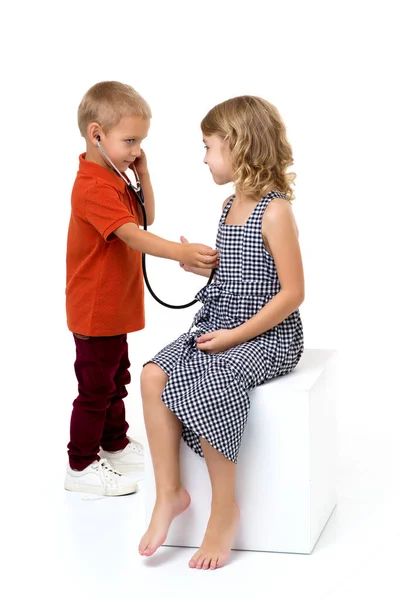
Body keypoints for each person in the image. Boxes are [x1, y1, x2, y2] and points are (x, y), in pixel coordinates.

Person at [139, 95, 305, 568]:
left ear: (236, 146)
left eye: (208, 146)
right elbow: (241, 275)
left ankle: (224, 509)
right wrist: (206, 271)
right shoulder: (230, 203)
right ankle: (169, 493)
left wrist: (233, 338)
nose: (204, 156)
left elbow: (291, 293)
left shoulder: (275, 211)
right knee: (154, 374)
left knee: (214, 380)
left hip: (269, 336)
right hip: (221, 321)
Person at [64, 81, 218, 497]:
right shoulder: (93, 186)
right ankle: (80, 464)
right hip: (96, 309)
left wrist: (142, 171)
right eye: (130, 141)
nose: (135, 150)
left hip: (116, 305)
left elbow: (147, 212)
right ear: (97, 134)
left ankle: (113, 444)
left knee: (117, 378)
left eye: (140, 142)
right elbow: (133, 235)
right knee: (95, 387)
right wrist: (177, 253)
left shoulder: (115, 179)